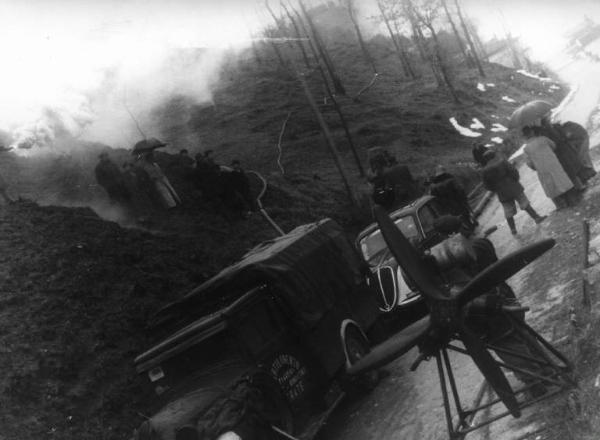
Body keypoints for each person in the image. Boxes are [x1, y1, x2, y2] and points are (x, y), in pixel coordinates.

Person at [481, 150, 546, 235]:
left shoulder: (484, 171)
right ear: (494, 155)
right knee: (524, 203)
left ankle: (513, 230)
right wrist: (515, 180)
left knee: (508, 211)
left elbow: (487, 185)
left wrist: (496, 189)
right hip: (513, 186)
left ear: (486, 159)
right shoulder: (502, 161)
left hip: (501, 192)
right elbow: (513, 171)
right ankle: (537, 218)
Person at [522, 126, 576, 209]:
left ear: (525, 136)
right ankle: (571, 200)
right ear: (532, 132)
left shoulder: (526, 149)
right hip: (553, 163)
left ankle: (562, 204)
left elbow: (529, 163)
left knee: (551, 185)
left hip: (542, 168)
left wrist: (535, 167)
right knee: (561, 179)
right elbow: (554, 146)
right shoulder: (543, 139)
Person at [539, 115, 585, 190]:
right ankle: (579, 185)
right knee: (570, 167)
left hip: (562, 150)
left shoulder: (550, 129)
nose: (548, 121)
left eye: (548, 120)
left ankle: (580, 183)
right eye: (547, 121)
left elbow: (563, 136)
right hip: (560, 151)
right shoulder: (548, 131)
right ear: (545, 123)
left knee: (572, 165)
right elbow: (554, 141)